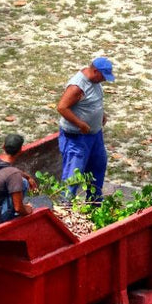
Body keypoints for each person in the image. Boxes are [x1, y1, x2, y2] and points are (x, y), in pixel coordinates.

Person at [56, 57, 114, 202]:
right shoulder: (77, 86)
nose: (104, 80)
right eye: (103, 76)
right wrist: (80, 124)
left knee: (98, 167)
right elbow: (62, 107)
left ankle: (94, 204)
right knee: (73, 176)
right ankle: (65, 207)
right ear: (95, 71)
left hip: (95, 136)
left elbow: (93, 102)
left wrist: (101, 114)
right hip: (76, 138)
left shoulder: (95, 81)